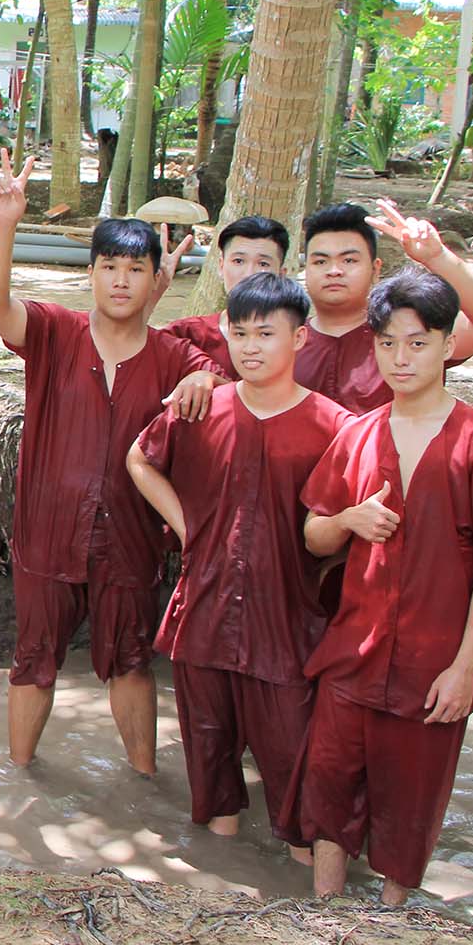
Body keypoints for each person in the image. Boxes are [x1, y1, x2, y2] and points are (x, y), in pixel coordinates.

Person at [0, 147, 218, 774]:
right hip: (47, 536)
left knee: (133, 662)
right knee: (33, 661)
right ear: (90, 274)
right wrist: (6, 224)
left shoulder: (172, 355)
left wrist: (208, 382)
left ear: (155, 279)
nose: (120, 280)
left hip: (130, 544)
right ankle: (20, 778)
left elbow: (228, 376)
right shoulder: (56, 333)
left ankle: (143, 777)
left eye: (135, 269)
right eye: (108, 266)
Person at [298, 268, 473, 904]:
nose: (401, 357)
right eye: (388, 343)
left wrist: (465, 667)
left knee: (412, 797)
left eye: (418, 342)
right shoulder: (359, 435)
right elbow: (315, 535)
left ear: (449, 345)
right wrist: (346, 519)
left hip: (434, 661)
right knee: (329, 780)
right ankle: (324, 913)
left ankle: (394, 920)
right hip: (353, 650)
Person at [127, 273, 349, 855]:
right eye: (240, 332)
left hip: (287, 622)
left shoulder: (335, 426)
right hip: (205, 609)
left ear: (300, 339)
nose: (250, 347)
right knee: (210, 760)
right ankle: (218, 880)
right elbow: (139, 459)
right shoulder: (202, 408)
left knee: (293, 759)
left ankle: (303, 883)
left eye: (266, 334)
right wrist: (186, 524)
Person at [295, 200, 473, 413]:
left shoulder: (415, 327)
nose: (334, 270)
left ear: (375, 269)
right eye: (320, 262)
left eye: (349, 260)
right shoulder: (285, 340)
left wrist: (437, 257)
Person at [154, 215, 291, 378]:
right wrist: (154, 293)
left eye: (263, 264)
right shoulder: (187, 334)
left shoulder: (298, 343)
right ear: (221, 266)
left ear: (281, 275)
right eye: (239, 261)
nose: (248, 274)